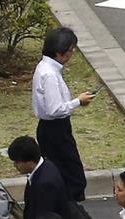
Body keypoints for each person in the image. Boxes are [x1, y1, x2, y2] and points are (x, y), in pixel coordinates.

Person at [33, 27, 95, 202]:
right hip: (56, 130)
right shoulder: (50, 74)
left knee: (61, 173)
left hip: (50, 129)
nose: (72, 53)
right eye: (70, 50)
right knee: (72, 176)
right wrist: (78, 101)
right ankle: (69, 213)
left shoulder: (44, 67)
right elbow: (55, 109)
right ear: (59, 52)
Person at [8, 136, 67, 219]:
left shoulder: (44, 184)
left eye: (17, 162)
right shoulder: (46, 167)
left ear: (29, 162)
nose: (15, 165)